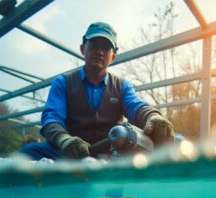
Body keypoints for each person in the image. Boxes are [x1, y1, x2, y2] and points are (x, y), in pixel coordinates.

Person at [20, 22, 174, 160]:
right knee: (28, 153)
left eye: (106, 47)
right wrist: (64, 140)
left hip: (112, 153)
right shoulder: (62, 82)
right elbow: (51, 118)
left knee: (175, 143)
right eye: (94, 45)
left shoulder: (122, 86)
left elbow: (135, 105)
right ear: (82, 48)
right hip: (68, 153)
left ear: (113, 56)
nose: (99, 52)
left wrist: (152, 115)